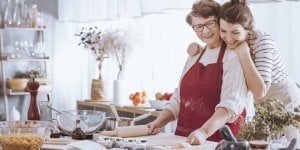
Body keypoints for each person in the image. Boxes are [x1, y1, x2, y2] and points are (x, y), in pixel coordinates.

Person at [188, 0, 300, 146]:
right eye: (223, 31)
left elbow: (260, 91)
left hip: (285, 102)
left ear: (249, 30)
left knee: (288, 144)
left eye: (235, 32)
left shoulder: (263, 42)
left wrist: (244, 53)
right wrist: (197, 47)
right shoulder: (231, 40)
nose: (228, 38)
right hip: (259, 106)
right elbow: (215, 49)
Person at [147, 0, 253, 145]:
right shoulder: (195, 55)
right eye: (198, 26)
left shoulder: (233, 56)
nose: (205, 31)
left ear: (220, 22)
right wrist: (159, 122)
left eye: (210, 23)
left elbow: (230, 105)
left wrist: (203, 132)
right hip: (185, 140)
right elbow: (179, 98)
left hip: (220, 142)